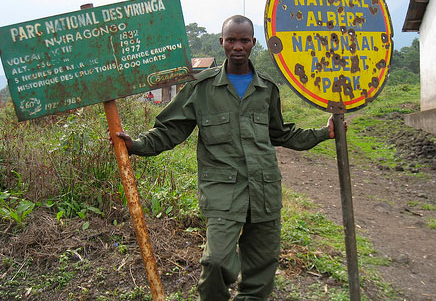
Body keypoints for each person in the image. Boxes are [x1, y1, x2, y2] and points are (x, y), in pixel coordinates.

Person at [114, 15, 344, 301]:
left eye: (244, 40)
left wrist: (324, 133)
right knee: (215, 262)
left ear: (253, 43)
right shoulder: (202, 87)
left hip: (264, 191)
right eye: (231, 40)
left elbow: (282, 134)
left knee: (261, 272)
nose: (238, 46)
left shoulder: (267, 89)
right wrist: (136, 145)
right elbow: (170, 130)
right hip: (223, 192)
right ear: (221, 42)